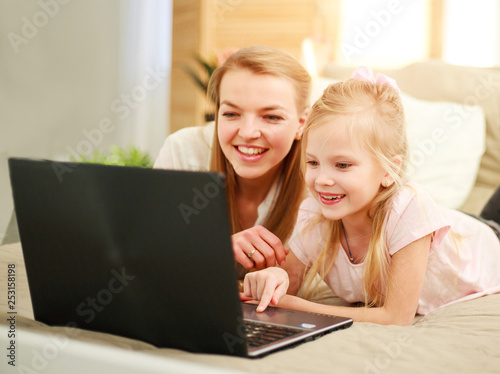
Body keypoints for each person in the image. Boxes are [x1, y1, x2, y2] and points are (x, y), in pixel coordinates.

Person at [242, 66, 500, 325]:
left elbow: (397, 317)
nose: (321, 180)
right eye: (313, 163)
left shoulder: (408, 208)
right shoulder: (314, 216)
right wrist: (272, 278)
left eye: (342, 165)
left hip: (487, 238)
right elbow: (286, 285)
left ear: (390, 170)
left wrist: (303, 307)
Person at [154, 46, 311, 274]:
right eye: (231, 114)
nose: (248, 132)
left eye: (271, 117)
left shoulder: (321, 179)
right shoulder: (183, 152)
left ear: (301, 123)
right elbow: (147, 256)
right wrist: (216, 250)